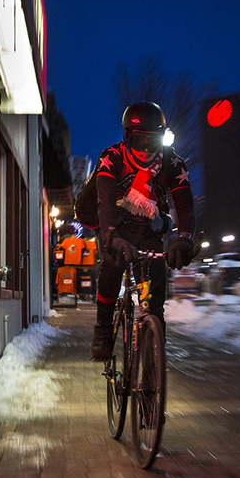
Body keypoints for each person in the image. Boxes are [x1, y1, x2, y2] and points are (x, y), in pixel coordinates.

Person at [90, 101, 196, 360]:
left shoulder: (174, 163)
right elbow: (104, 201)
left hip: (150, 230)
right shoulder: (111, 157)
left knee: (155, 286)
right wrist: (110, 237)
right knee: (112, 266)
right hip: (115, 224)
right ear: (126, 137)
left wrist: (184, 240)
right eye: (140, 141)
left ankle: (154, 341)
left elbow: (186, 209)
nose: (147, 149)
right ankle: (103, 331)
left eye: (154, 140)